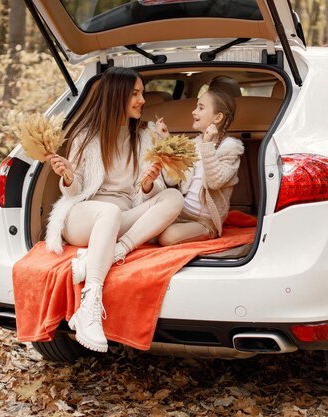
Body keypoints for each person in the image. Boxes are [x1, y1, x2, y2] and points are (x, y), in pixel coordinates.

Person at [44, 67, 184, 353]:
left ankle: (112, 253)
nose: (142, 100)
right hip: (83, 215)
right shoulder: (85, 137)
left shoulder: (147, 136)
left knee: (172, 198)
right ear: (116, 96)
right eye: (134, 94)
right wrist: (68, 175)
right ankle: (90, 302)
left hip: (123, 218)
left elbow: (170, 183)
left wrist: (148, 185)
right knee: (108, 211)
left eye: (142, 93)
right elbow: (75, 188)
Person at [157, 87, 244, 246]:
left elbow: (214, 182)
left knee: (167, 238)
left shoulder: (230, 148)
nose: (193, 111)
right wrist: (166, 141)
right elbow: (171, 179)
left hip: (204, 220)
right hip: (180, 212)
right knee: (149, 227)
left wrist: (207, 145)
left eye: (201, 108)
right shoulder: (194, 144)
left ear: (217, 117)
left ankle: (209, 232)